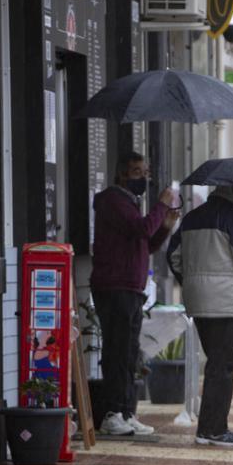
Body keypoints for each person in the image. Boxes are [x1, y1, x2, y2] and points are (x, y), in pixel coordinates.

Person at [167, 186, 233, 447]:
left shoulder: (191, 218)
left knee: (215, 362)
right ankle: (213, 430)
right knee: (222, 366)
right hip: (225, 300)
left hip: (197, 300)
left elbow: (173, 257)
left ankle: (209, 427)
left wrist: (192, 282)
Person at [91, 152, 179, 436]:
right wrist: (161, 206)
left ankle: (127, 411)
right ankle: (111, 413)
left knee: (129, 353)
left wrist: (165, 228)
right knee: (117, 352)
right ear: (121, 174)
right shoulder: (112, 201)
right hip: (114, 287)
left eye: (145, 172)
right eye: (136, 171)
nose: (142, 177)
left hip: (132, 287)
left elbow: (146, 244)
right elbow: (140, 228)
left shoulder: (131, 203)